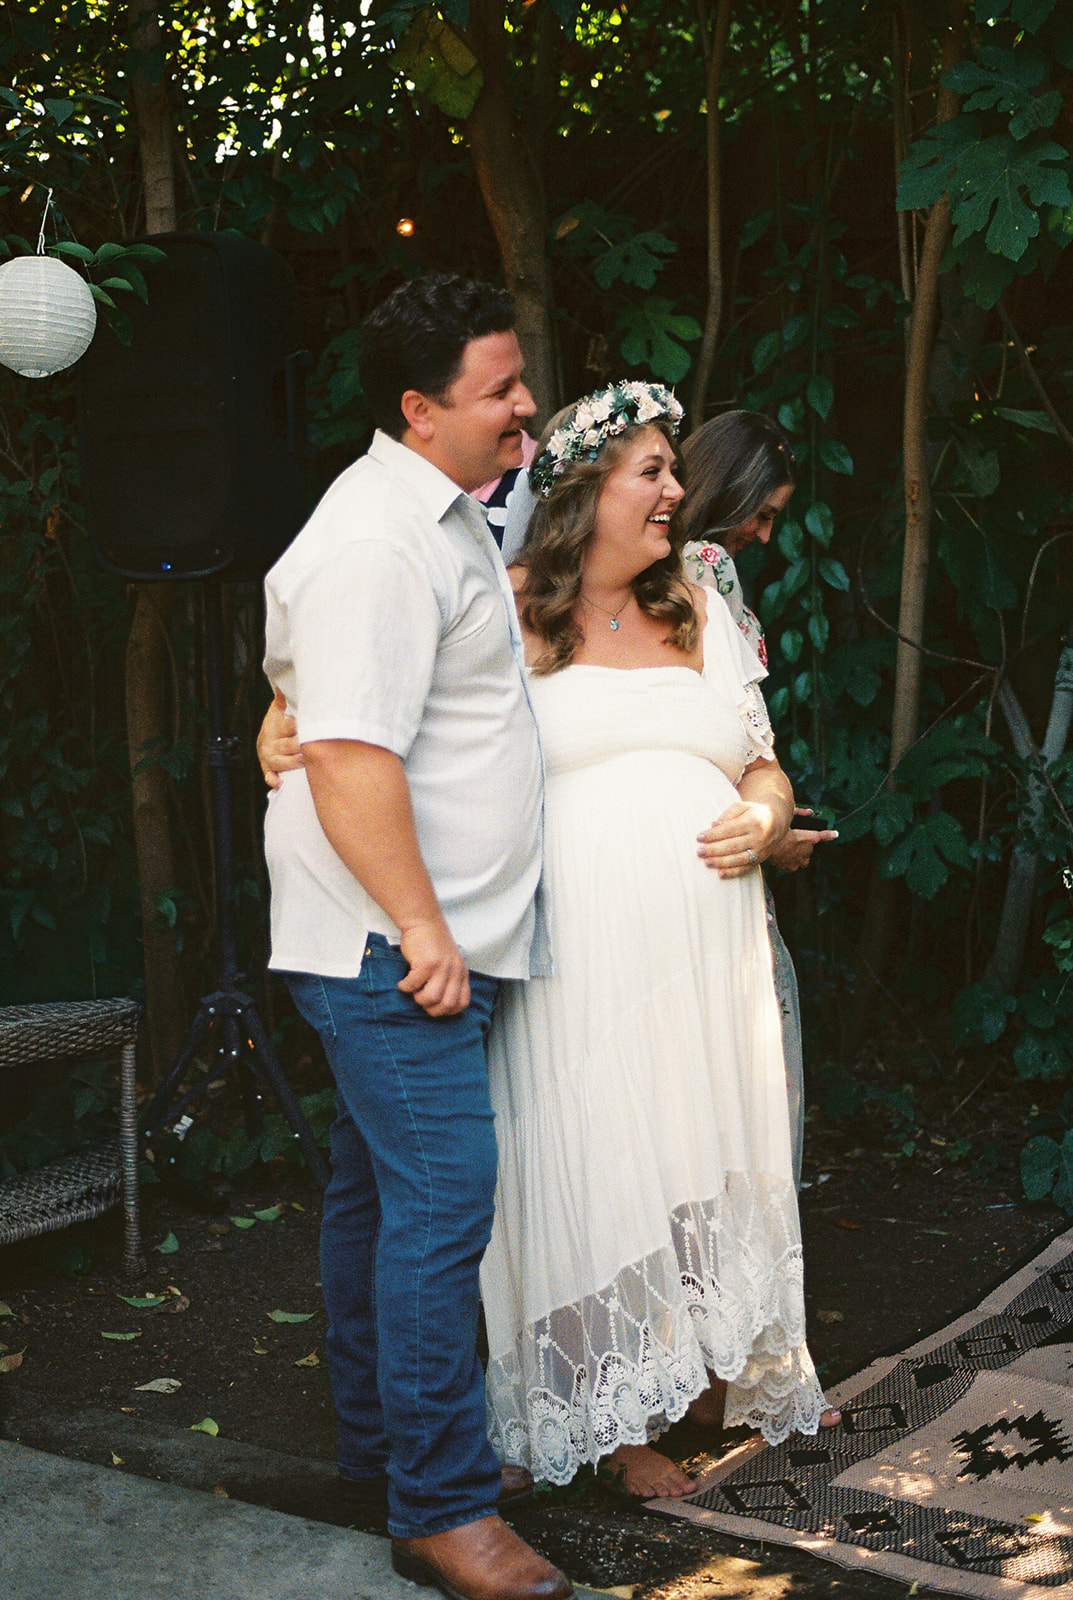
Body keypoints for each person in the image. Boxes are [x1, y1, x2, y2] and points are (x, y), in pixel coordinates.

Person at [260, 273, 574, 1600]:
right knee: (443, 1207)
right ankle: (440, 1509)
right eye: (499, 389)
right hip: (390, 949)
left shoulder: (436, 516)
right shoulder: (378, 539)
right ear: (417, 407)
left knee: (378, 1199)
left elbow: (311, 688)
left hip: (412, 937)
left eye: (519, 379)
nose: (525, 406)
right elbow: (343, 748)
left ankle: (390, 1447)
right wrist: (422, 927)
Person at [476, 382, 832, 1501]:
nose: (679, 490)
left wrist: (768, 814)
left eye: (676, 470)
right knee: (601, 1154)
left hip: (704, 955)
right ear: (585, 488)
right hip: (577, 957)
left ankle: (694, 1377)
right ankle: (610, 1417)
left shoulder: (697, 605)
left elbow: (757, 758)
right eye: (653, 470)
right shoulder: (506, 604)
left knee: (692, 1151)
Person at [677, 411, 839, 1184]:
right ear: (727, 488)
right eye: (762, 513)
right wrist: (769, 828)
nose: (765, 536)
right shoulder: (702, 561)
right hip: (716, 827)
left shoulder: (651, 566)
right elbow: (728, 727)